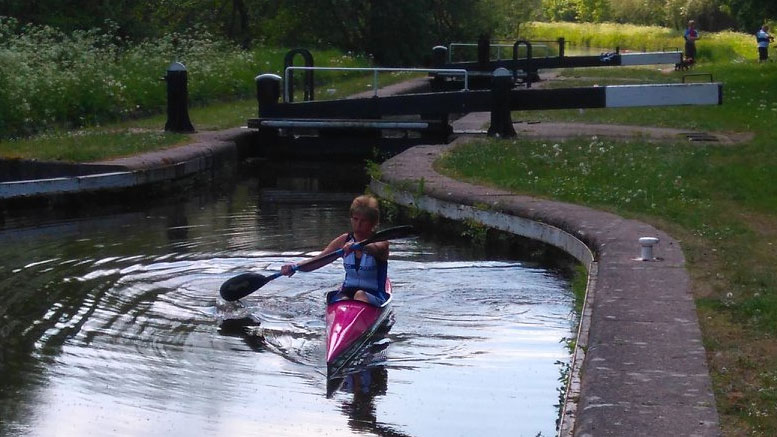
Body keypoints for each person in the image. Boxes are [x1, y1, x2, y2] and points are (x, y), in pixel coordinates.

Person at [280, 194, 389, 307]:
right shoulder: (343, 240)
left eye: (364, 221)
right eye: (355, 219)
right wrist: (294, 267)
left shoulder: (381, 242)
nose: (358, 224)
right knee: (340, 299)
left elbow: (376, 248)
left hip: (375, 295)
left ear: (373, 222)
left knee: (360, 294)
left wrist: (359, 246)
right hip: (347, 293)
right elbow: (318, 260)